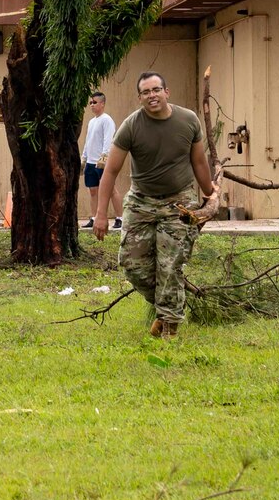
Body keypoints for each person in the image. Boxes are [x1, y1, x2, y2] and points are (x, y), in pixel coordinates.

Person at [92, 72, 217, 337]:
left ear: (166, 92)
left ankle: (169, 327)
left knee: (170, 265)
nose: (152, 95)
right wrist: (101, 214)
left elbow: (198, 162)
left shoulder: (188, 120)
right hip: (141, 202)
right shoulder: (131, 126)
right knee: (132, 265)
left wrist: (210, 194)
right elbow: (111, 171)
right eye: (146, 92)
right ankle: (167, 305)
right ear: (140, 98)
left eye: (156, 89)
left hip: (179, 203)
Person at [80, 90, 120, 230]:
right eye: (90, 102)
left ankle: (119, 218)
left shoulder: (107, 120)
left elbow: (108, 140)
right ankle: (93, 217)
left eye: (94, 102)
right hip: (91, 162)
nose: (91, 105)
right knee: (93, 191)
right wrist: (83, 159)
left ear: (102, 104)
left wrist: (104, 157)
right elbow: (88, 141)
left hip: (101, 162)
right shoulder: (91, 122)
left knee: (111, 189)